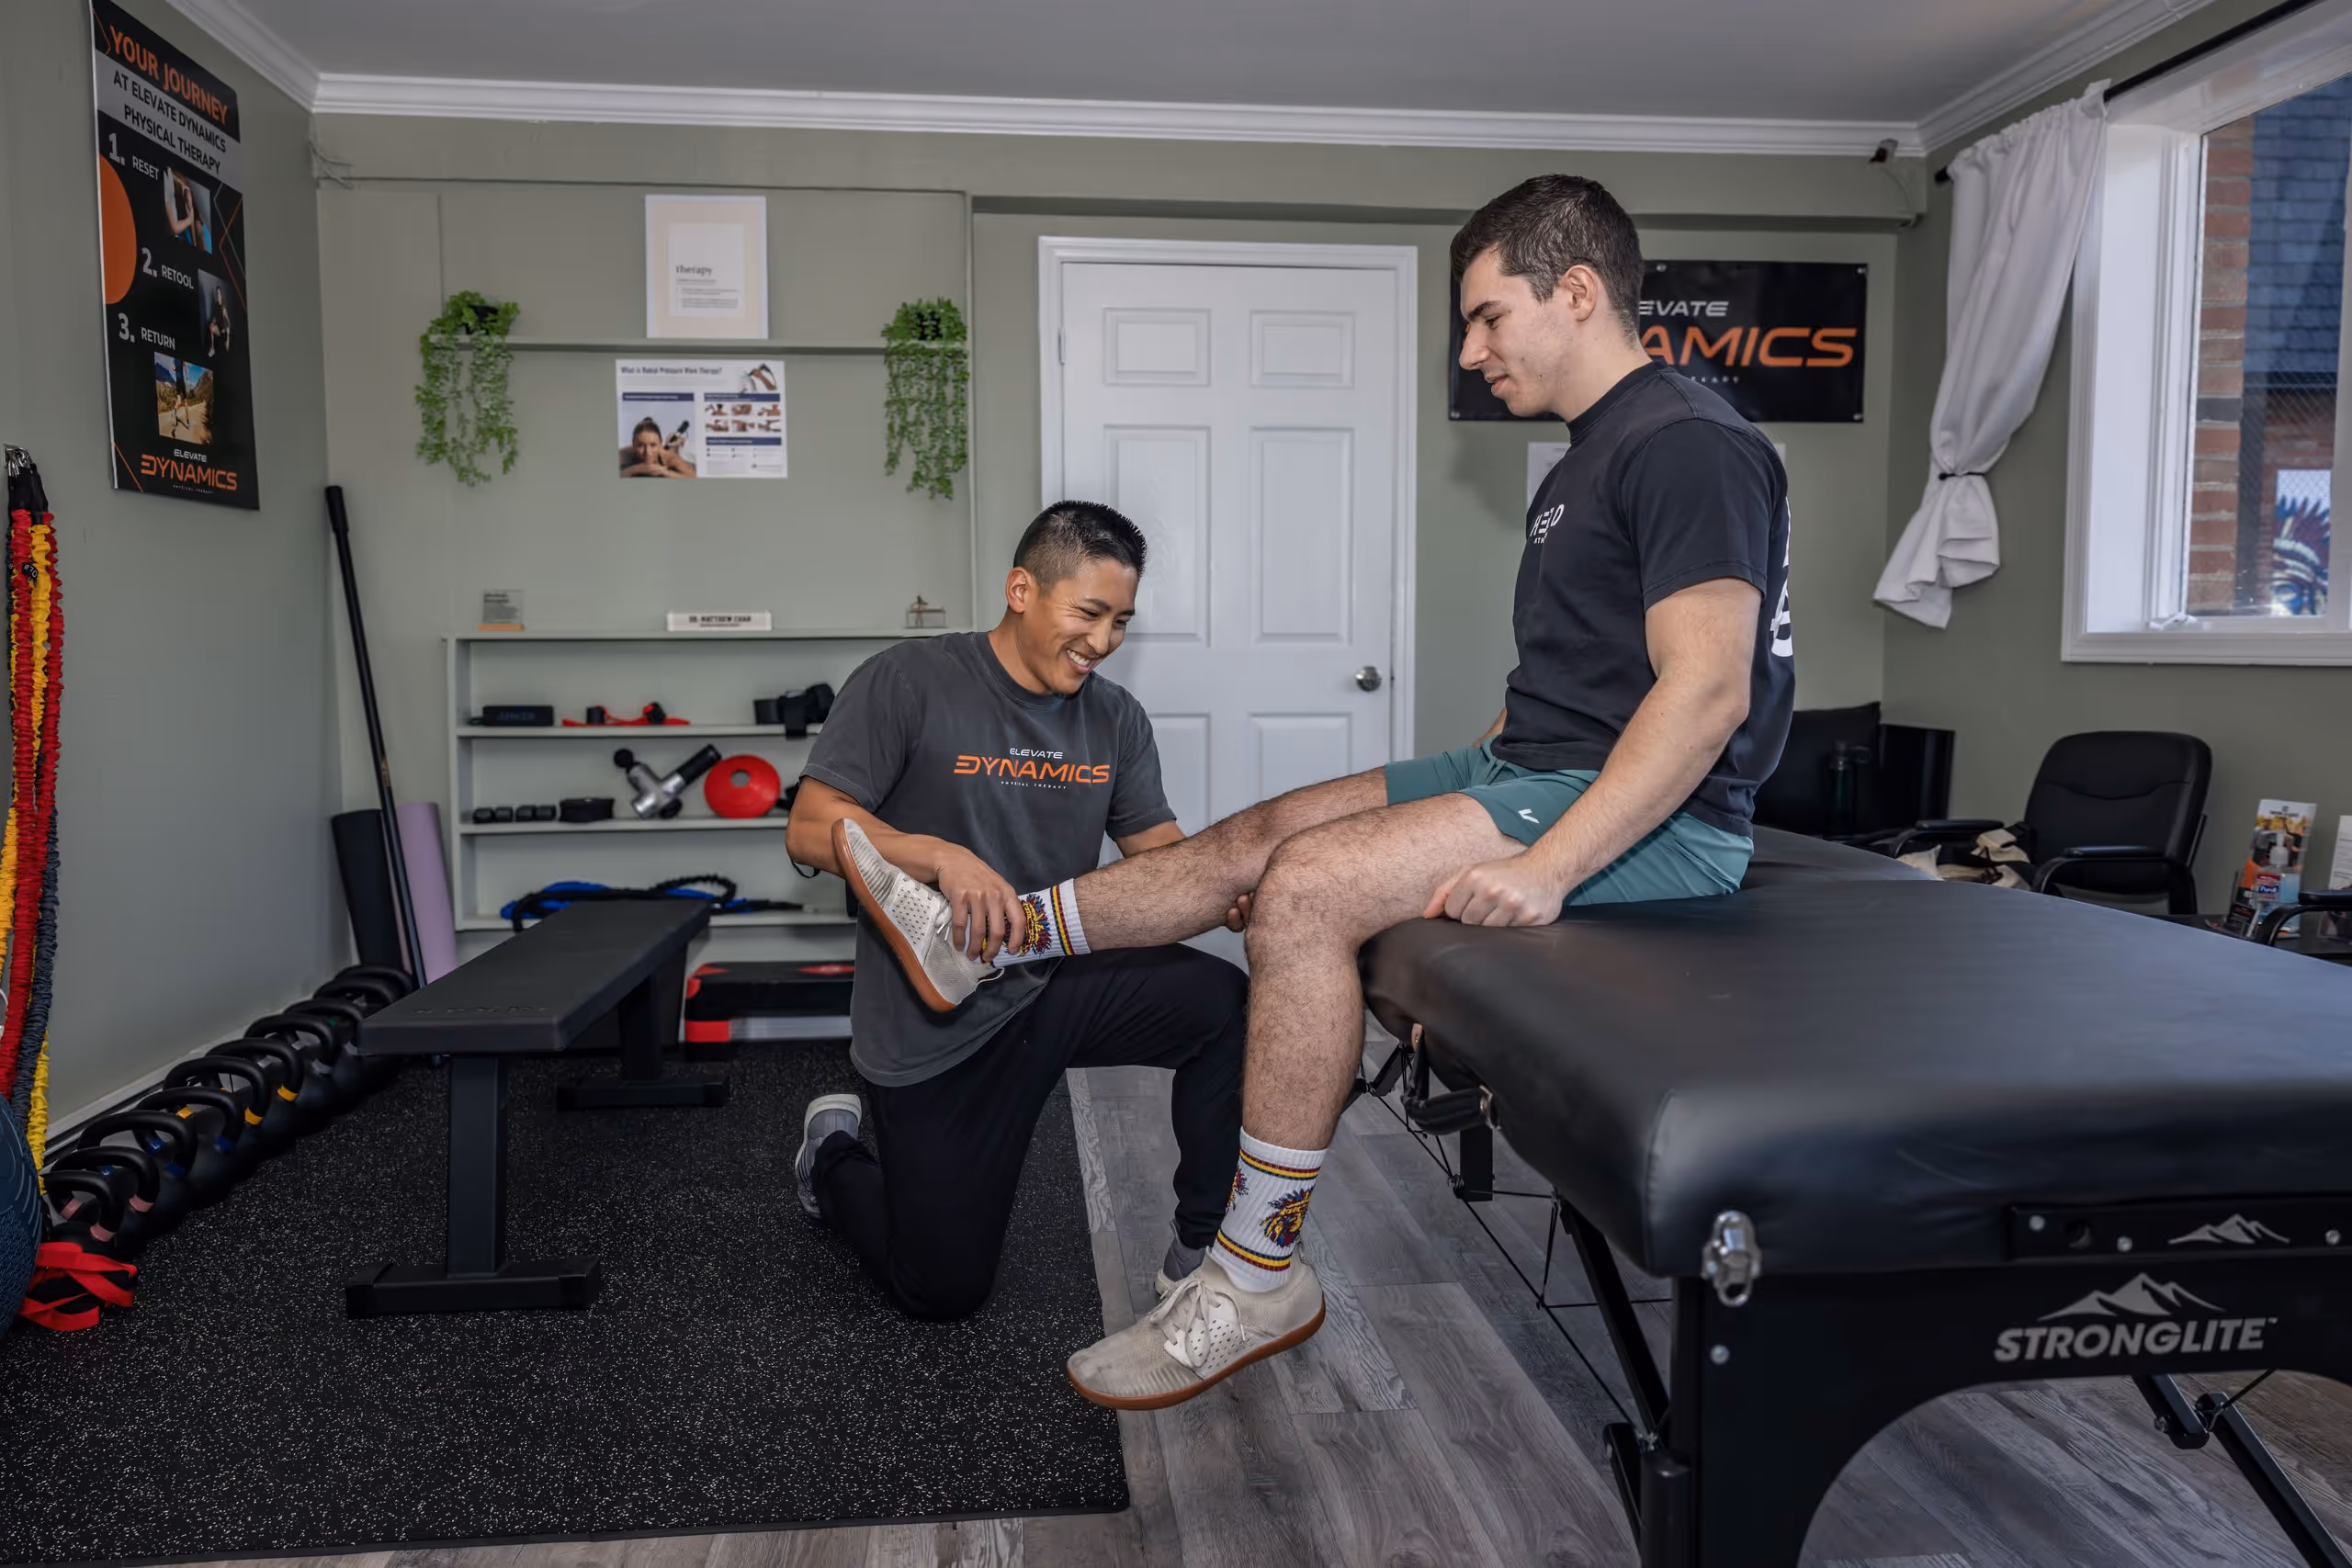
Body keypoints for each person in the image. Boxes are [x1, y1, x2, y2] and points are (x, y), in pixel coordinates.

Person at [838, 174, 1796, 1406]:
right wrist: (1482, 764)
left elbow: (1707, 693)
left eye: (1489, 316)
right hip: (1537, 762)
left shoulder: (1683, 440)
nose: (1471, 347)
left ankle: (1256, 1274)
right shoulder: (1592, 452)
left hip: (1645, 815)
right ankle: (1000, 939)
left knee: (1304, 889)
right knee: (1262, 827)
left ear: (1577, 291)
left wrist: (1545, 864)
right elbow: (1604, 660)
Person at [784, 502, 1250, 1322]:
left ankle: (1202, 1245)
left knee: (1234, 1007)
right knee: (941, 1288)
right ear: (1022, 588)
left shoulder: (1114, 718)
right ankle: (831, 1155)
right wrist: (939, 855)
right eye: (1089, 614)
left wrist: (1242, 887)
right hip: (935, 1016)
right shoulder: (908, 682)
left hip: (1056, 984)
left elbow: (1162, 858)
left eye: (1122, 621)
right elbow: (812, 827)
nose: (1104, 642)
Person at [618, 417, 695, 477]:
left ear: (660, 444)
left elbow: (693, 476)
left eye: (653, 445)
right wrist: (637, 469)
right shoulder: (625, 453)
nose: (648, 452)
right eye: (641, 446)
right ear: (634, 445)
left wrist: (664, 472)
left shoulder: (669, 457)